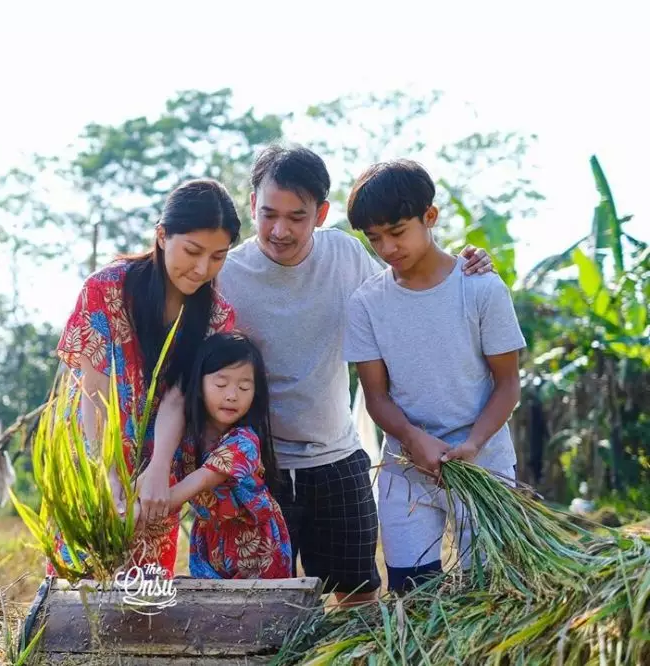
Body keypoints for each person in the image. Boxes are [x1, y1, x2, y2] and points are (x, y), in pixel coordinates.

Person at [215, 144, 494, 603]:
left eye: (297, 217)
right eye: (268, 214)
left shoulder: (345, 256)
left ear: (321, 214)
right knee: (259, 605)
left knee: (359, 599)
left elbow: (407, 288)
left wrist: (467, 268)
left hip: (337, 458)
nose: (280, 230)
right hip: (256, 464)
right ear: (252, 206)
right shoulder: (227, 275)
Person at [343, 159, 525, 593]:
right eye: (374, 238)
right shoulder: (366, 303)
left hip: (484, 464)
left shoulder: (481, 288)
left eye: (397, 231)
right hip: (407, 468)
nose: (387, 248)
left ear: (430, 216)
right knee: (412, 594)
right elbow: (376, 397)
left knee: (492, 594)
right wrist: (413, 438)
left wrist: (473, 444)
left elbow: (507, 384)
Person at [52, 178, 241, 577]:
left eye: (218, 257)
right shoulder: (106, 289)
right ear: (161, 236)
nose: (202, 269)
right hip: (93, 446)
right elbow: (93, 393)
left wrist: (157, 469)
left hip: (158, 456)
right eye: (192, 251)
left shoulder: (216, 314)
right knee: (80, 580)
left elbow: (178, 397)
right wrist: (105, 474)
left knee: (145, 590)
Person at [138, 331, 291, 579]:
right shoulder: (185, 437)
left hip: (256, 547)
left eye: (244, 387)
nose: (232, 395)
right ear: (199, 386)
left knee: (257, 603)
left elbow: (198, 481)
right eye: (221, 384)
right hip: (209, 542)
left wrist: (136, 514)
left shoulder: (244, 442)